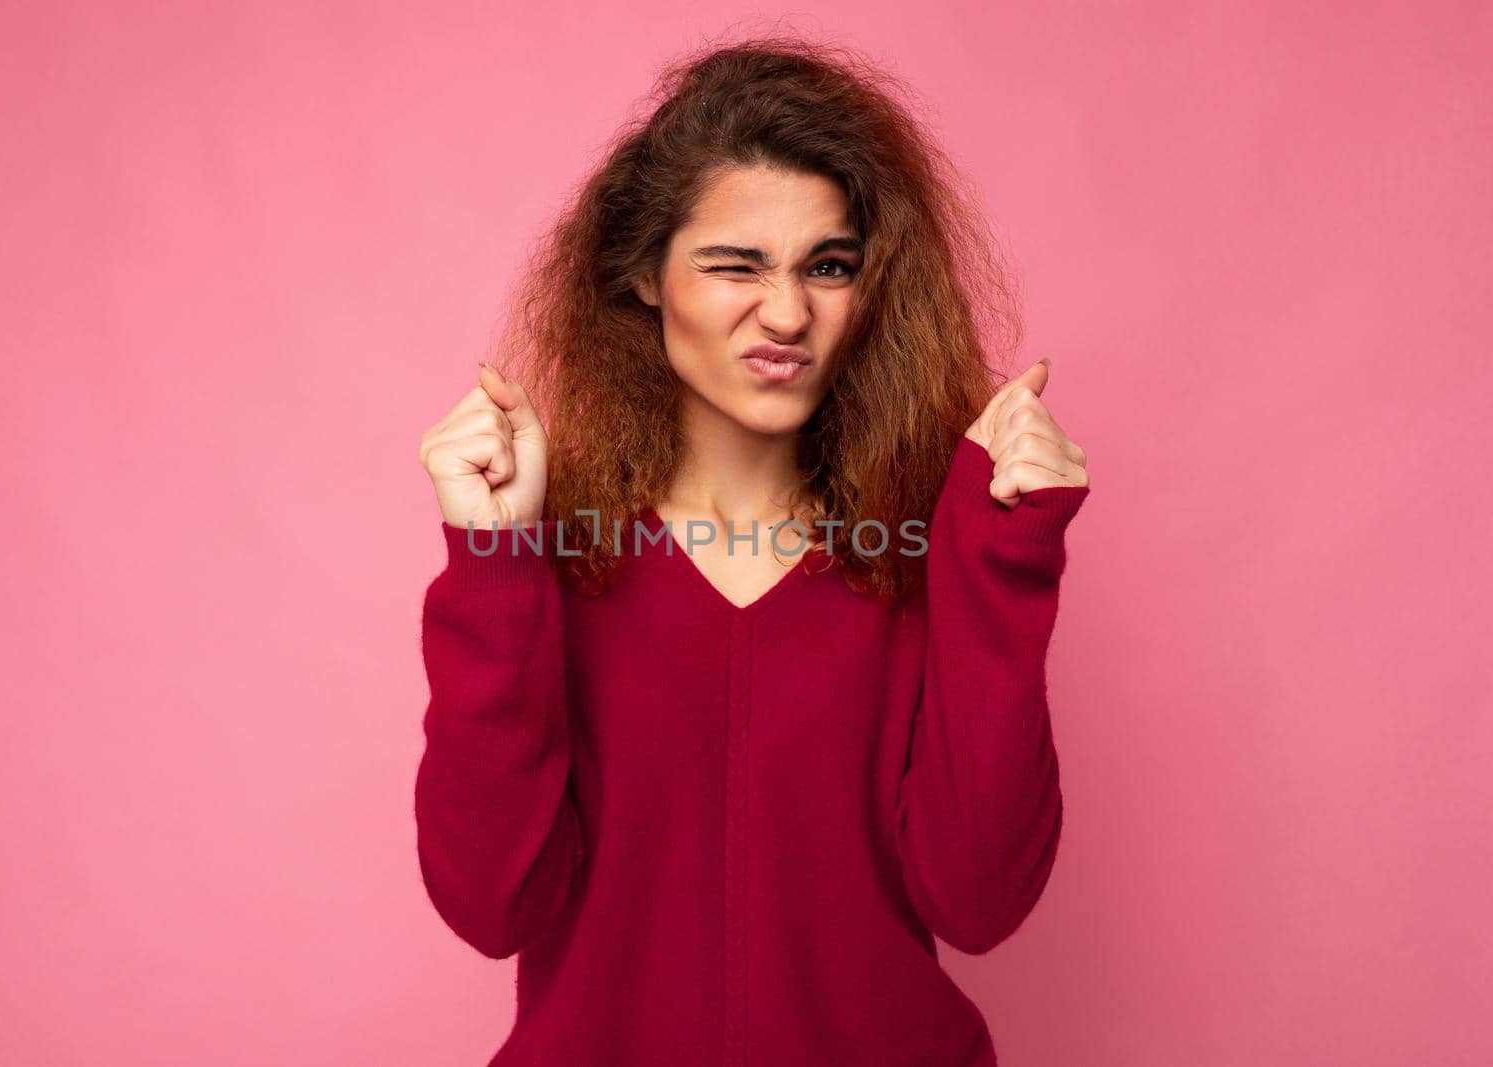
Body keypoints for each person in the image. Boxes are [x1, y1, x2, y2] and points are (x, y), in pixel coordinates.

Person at [413, 34, 1091, 1067]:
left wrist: (1003, 562)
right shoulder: (554, 567)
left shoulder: (918, 555)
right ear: (644, 275)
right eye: (736, 264)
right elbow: (491, 903)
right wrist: (494, 562)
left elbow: (981, 898)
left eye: (828, 267)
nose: (787, 313)